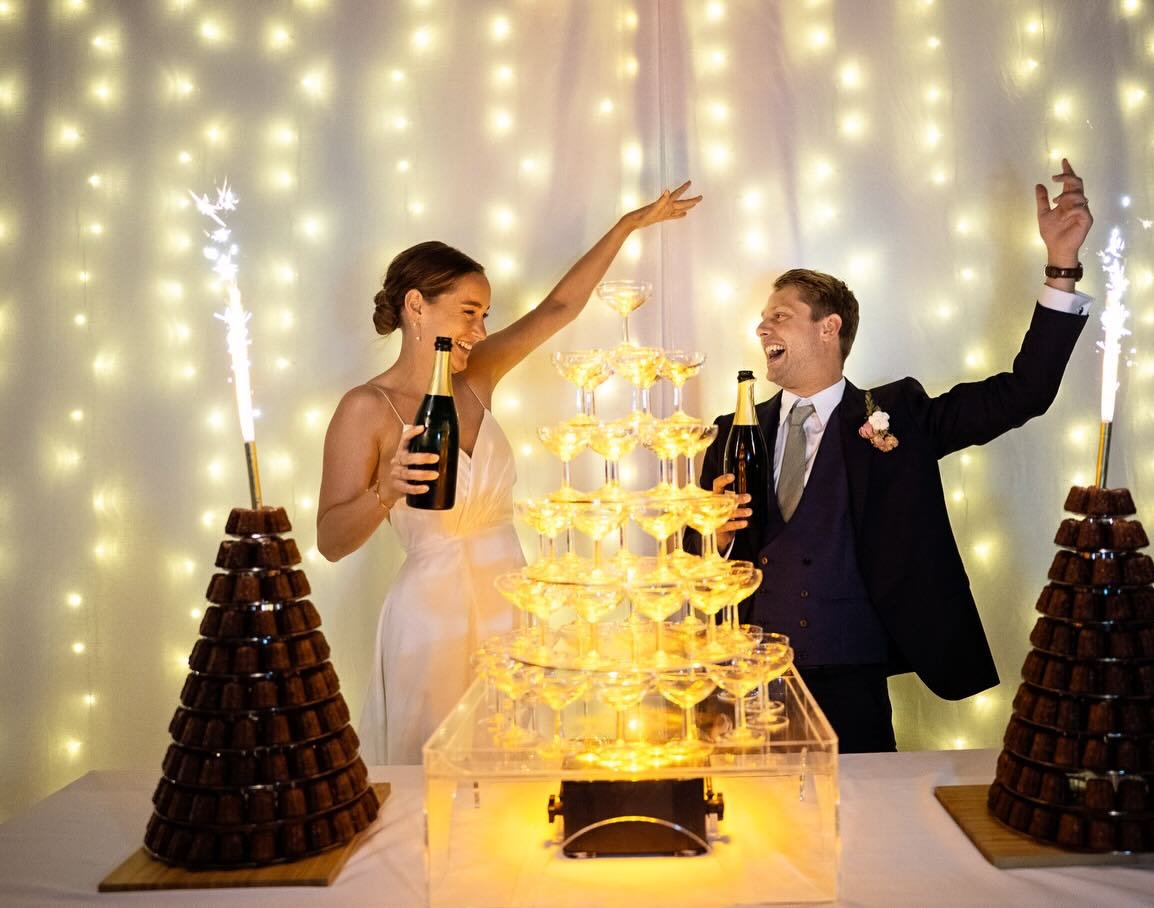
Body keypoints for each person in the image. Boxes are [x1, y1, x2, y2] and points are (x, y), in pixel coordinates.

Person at [699, 160, 1095, 753]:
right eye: (762, 320)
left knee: (865, 825)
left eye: (778, 315)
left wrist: (1061, 269)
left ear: (828, 327)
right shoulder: (734, 430)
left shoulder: (898, 416)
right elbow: (700, 553)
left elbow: (1025, 393)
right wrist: (714, 534)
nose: (762, 328)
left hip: (854, 672)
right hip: (746, 673)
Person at [318, 182, 701, 764]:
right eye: (468, 312)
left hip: (511, 598)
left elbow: (559, 309)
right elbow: (330, 541)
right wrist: (384, 489)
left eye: (484, 314)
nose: (478, 330)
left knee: (516, 759)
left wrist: (626, 225)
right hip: (429, 615)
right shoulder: (365, 408)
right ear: (416, 306)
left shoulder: (477, 376)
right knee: (434, 767)